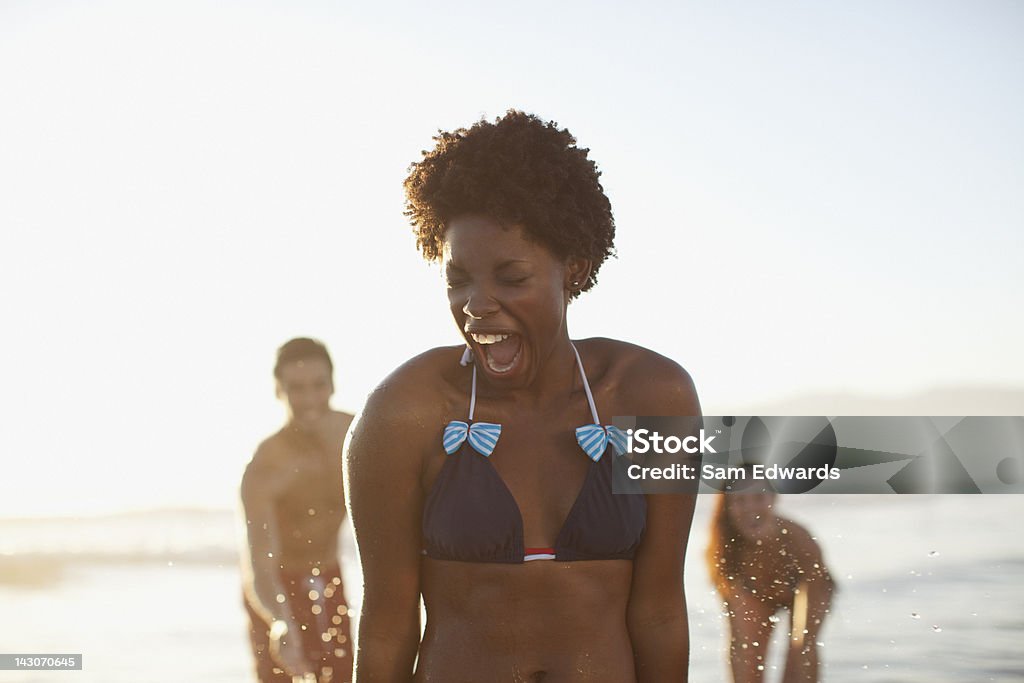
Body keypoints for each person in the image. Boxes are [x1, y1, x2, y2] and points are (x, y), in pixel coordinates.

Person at [344, 110, 702, 681]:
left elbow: (659, 609)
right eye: (458, 279)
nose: (476, 305)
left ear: (574, 270)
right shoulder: (404, 410)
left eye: (511, 279)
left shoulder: (655, 393)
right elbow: (387, 626)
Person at [241, 338, 354, 683]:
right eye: (296, 389)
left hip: (330, 577)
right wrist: (280, 620)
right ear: (278, 390)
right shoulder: (266, 465)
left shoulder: (357, 437)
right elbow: (259, 565)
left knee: (342, 676)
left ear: (333, 384)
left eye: (318, 386)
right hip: (275, 589)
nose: (309, 400)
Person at [707, 479, 834, 683]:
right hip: (755, 590)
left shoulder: (799, 539)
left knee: (801, 648)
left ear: (773, 499)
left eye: (758, 498)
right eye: (740, 500)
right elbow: (737, 641)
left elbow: (815, 588)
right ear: (727, 506)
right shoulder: (723, 549)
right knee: (745, 651)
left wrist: (803, 644)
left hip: (805, 586)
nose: (751, 508)